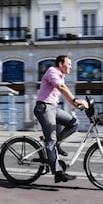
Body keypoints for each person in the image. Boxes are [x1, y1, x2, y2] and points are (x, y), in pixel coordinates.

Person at [34, 55, 88, 183]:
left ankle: (56, 145)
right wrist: (75, 100)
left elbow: (65, 92)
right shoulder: (52, 71)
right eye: (68, 64)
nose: (70, 66)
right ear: (60, 64)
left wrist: (76, 105)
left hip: (53, 108)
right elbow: (62, 88)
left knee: (74, 124)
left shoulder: (61, 76)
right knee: (51, 141)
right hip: (44, 108)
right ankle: (58, 173)